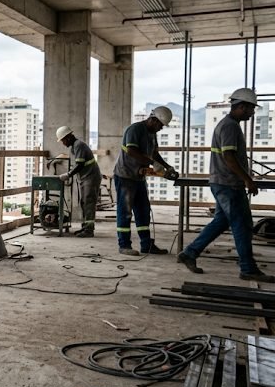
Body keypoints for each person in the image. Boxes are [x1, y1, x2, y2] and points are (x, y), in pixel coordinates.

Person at [176, 88, 274, 281]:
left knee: (221, 222)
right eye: (251, 109)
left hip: (224, 182)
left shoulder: (228, 124)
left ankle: (190, 253)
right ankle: (247, 268)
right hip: (229, 184)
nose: (252, 113)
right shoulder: (230, 126)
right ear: (242, 107)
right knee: (242, 224)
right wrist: (247, 179)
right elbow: (228, 157)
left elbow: (231, 156)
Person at [112, 106, 178, 255]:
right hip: (125, 176)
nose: (161, 129)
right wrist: (152, 164)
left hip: (138, 177)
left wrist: (167, 167)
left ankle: (146, 244)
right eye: (160, 125)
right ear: (153, 120)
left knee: (143, 210)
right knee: (125, 211)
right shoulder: (134, 130)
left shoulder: (152, 133)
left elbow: (154, 154)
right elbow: (131, 151)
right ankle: (124, 245)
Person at [55, 126, 101, 238]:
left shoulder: (78, 145)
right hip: (86, 177)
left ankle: (89, 230)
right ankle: (85, 227)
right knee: (84, 202)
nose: (63, 143)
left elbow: (80, 165)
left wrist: (68, 174)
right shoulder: (74, 147)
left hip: (90, 177)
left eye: (63, 140)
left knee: (88, 202)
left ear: (68, 137)